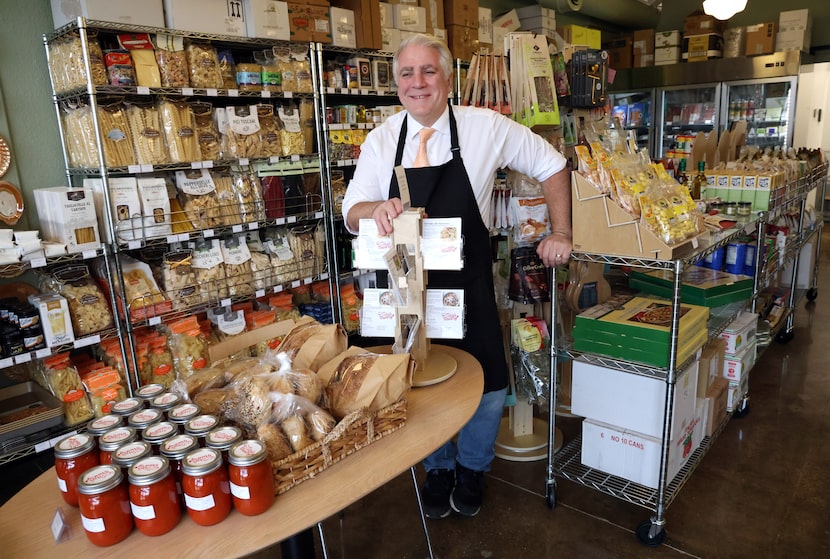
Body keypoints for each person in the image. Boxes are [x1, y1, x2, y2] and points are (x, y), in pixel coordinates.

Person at [341, 33, 572, 519]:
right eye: (407, 73)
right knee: (418, 382)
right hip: (406, 290)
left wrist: (561, 231)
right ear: (397, 84)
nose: (418, 82)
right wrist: (374, 209)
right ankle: (438, 467)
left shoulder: (484, 126)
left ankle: (472, 467)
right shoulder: (382, 139)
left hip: (468, 284)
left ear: (448, 79)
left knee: (488, 384)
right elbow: (350, 212)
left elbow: (553, 165)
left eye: (428, 71)